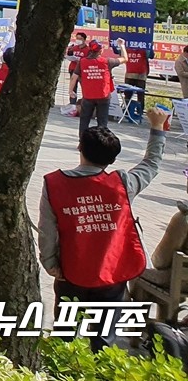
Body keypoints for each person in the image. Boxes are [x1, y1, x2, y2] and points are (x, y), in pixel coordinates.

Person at [39, 106, 169, 348]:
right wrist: (157, 128)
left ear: (80, 148)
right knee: (104, 339)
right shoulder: (122, 184)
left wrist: (50, 263)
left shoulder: (54, 184)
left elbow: (47, 229)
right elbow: (151, 164)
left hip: (70, 272)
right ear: (112, 159)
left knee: (64, 335)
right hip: (111, 274)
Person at [73, 37, 127, 136]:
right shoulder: (107, 61)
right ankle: (102, 142)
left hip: (88, 96)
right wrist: (122, 45)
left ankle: (82, 142)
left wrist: (70, 91)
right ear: (101, 50)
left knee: (84, 120)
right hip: (103, 96)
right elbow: (125, 59)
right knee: (102, 122)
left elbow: (74, 77)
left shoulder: (82, 62)